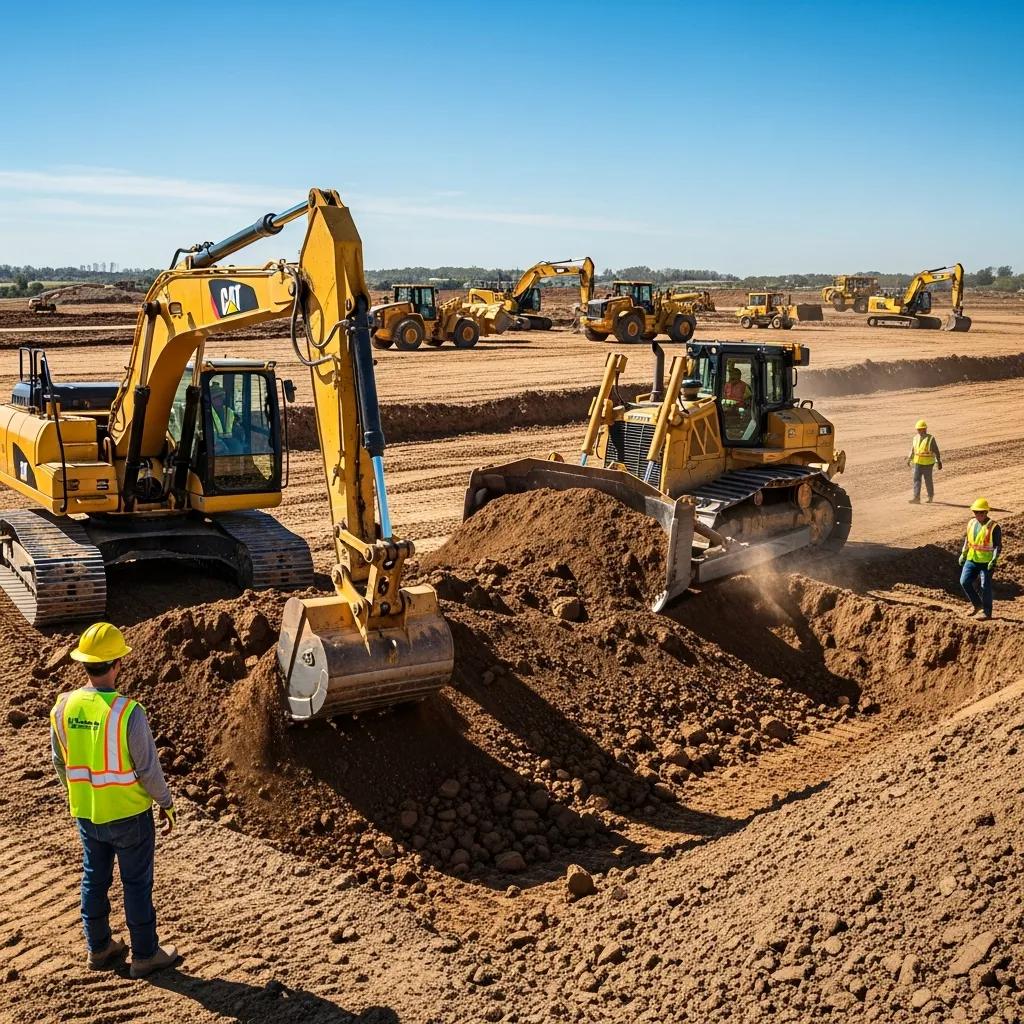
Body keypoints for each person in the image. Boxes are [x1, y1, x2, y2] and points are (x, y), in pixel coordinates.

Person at [50, 623, 180, 978]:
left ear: (84, 664)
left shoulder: (63, 707)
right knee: (136, 884)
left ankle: (99, 947)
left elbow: (60, 761)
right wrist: (166, 804)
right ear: (117, 663)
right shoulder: (128, 713)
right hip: (130, 816)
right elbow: (149, 770)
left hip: (88, 815)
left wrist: (79, 792)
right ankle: (145, 955)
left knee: (94, 879)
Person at [959, 498, 1001, 620]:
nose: (979, 515)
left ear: (986, 512)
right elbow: (968, 539)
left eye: (981, 512)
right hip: (971, 559)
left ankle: (987, 612)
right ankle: (978, 606)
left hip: (986, 562)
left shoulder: (994, 527)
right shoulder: (971, 523)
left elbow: (998, 546)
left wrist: (994, 559)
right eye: (976, 512)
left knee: (984, 586)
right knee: (964, 582)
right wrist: (963, 553)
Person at [906, 418, 942, 503]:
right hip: (917, 462)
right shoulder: (915, 438)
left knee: (928, 480)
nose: (919, 431)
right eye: (918, 429)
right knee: (916, 480)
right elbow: (913, 449)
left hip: (928, 463)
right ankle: (916, 498)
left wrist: (938, 462)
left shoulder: (931, 438)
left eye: (920, 429)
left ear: (925, 429)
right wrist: (909, 459)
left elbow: (936, 451)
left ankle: (930, 497)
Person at [209, 383, 240, 454]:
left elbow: (236, 425)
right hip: (213, 442)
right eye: (215, 398)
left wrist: (237, 428)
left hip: (228, 441)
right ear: (210, 400)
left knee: (237, 445)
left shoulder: (229, 412)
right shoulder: (205, 412)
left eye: (220, 397)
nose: (219, 399)